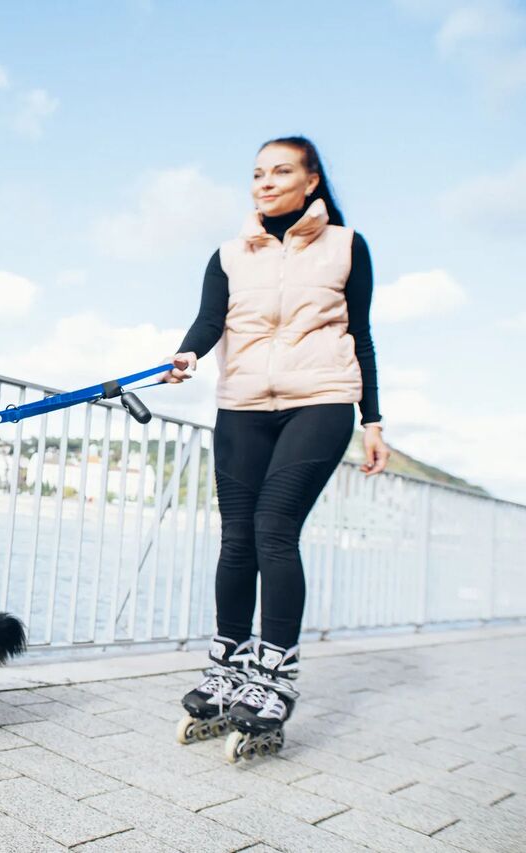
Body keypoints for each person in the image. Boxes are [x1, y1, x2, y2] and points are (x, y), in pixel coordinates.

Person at [167, 136, 391, 755]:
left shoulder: (346, 247)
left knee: (273, 527)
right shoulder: (230, 253)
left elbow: (362, 335)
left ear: (311, 180)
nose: (265, 182)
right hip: (243, 404)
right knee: (237, 537)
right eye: (258, 173)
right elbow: (211, 318)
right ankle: (229, 662)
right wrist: (188, 352)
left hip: (319, 399)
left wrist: (372, 419)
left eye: (281, 171)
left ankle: (276, 674)